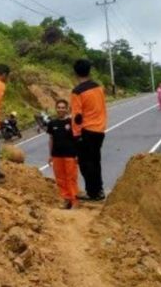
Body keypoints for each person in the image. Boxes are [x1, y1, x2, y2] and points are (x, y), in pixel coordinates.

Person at [70, 59, 107, 202]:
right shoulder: (98, 87)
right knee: (95, 161)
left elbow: (77, 116)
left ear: (75, 72)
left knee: (86, 164)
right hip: (99, 130)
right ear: (89, 71)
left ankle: (92, 192)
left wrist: (77, 135)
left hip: (86, 131)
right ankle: (99, 190)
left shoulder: (77, 92)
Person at [47, 99, 79, 209]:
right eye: (59, 107)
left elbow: (77, 139)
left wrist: (78, 154)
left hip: (70, 155)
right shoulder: (52, 123)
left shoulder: (71, 122)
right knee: (60, 179)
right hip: (57, 155)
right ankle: (66, 200)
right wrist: (51, 155)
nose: (61, 109)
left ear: (66, 109)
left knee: (71, 178)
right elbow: (51, 139)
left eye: (63, 107)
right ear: (56, 109)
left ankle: (74, 201)